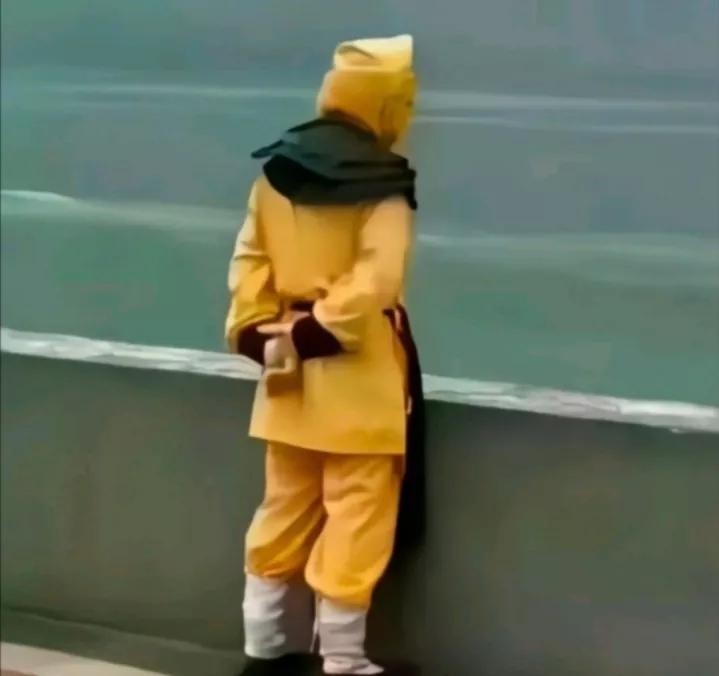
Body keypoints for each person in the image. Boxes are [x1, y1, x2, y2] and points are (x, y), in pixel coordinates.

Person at [226, 34, 424, 676]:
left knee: (283, 507)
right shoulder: (382, 186)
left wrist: (258, 332)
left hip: (283, 370)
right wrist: (325, 329)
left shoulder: (275, 174)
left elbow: (250, 260)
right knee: (358, 512)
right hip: (358, 374)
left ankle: (263, 650)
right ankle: (342, 660)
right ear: (388, 102)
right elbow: (377, 280)